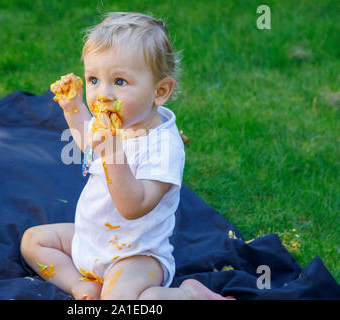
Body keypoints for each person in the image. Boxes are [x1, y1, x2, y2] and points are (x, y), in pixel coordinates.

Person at [21, 12, 232, 300]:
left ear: (160, 91)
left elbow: (134, 206)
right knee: (33, 241)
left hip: (136, 254)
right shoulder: (116, 122)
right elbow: (87, 142)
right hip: (91, 239)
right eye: (94, 79)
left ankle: (190, 295)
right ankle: (80, 285)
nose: (102, 94)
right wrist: (72, 107)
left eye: (119, 82)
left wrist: (113, 154)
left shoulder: (163, 146)